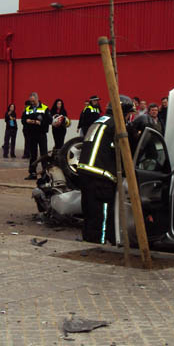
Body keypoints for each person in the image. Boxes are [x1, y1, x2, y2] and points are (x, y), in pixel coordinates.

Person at [75, 95, 134, 244]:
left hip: (85, 172)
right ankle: (99, 246)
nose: (128, 117)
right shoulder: (118, 125)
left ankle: (88, 241)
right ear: (123, 112)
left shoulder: (99, 121)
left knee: (89, 212)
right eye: (128, 114)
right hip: (101, 176)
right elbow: (123, 152)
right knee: (102, 214)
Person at [23, 91, 49, 179]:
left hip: (41, 134)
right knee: (33, 154)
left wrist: (40, 123)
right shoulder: (27, 109)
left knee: (43, 154)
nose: (32, 103)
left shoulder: (45, 108)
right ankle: (32, 173)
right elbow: (23, 120)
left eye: (33, 101)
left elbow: (49, 120)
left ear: (37, 99)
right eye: (31, 101)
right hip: (31, 135)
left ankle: (45, 173)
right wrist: (27, 121)